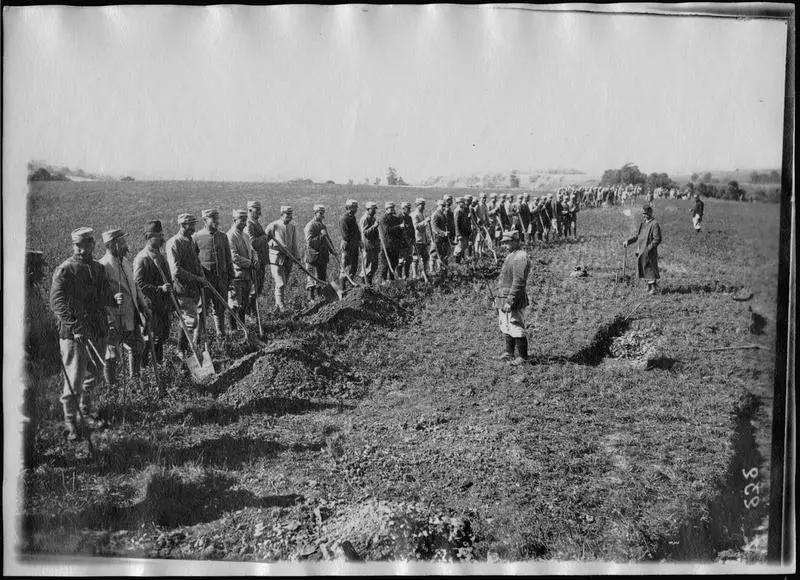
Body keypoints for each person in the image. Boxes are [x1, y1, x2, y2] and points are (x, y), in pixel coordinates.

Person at [50, 228, 117, 440]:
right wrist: (74, 325)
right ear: (73, 245)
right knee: (74, 379)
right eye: (77, 246)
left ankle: (85, 412)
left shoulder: (97, 268)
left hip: (97, 330)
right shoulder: (65, 270)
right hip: (75, 335)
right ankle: (71, 424)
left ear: (92, 245)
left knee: (94, 374)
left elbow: (104, 294)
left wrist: (114, 299)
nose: (81, 249)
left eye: (85, 245)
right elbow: (56, 302)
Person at [99, 228, 150, 385]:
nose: (125, 245)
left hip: (131, 314)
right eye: (122, 242)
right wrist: (112, 300)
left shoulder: (126, 262)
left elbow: (135, 286)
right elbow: (99, 294)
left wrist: (143, 307)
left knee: (138, 346)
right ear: (112, 245)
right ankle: (112, 386)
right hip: (114, 317)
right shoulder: (103, 266)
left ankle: (134, 381)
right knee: (112, 354)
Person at [133, 220, 173, 366]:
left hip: (162, 304)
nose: (162, 238)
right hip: (150, 306)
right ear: (149, 237)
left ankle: (159, 365)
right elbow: (138, 284)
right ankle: (144, 369)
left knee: (160, 337)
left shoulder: (160, 255)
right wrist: (159, 289)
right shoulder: (142, 258)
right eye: (158, 236)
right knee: (149, 338)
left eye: (162, 235)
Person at [166, 213, 204, 357]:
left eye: (194, 224)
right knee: (190, 321)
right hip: (182, 289)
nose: (194, 228)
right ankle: (181, 350)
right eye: (191, 225)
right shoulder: (174, 243)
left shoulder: (191, 241)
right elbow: (175, 270)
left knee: (193, 320)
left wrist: (202, 276)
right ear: (182, 225)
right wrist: (196, 278)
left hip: (194, 288)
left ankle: (185, 349)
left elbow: (197, 261)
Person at [194, 209, 234, 338]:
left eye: (217, 218)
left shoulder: (222, 236)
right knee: (202, 311)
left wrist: (230, 277)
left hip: (221, 280)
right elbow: (194, 261)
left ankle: (221, 335)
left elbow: (228, 258)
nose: (216, 221)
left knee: (220, 308)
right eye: (213, 219)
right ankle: (198, 339)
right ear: (205, 220)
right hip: (205, 282)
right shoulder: (196, 237)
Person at [495, 231, 531, 365]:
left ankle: (522, 357)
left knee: (516, 325)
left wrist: (510, 300)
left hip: (514, 299)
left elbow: (519, 282)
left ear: (516, 241)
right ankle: (509, 352)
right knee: (505, 325)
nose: (504, 245)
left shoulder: (520, 257)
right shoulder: (511, 255)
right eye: (503, 242)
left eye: (507, 242)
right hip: (504, 297)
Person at [265, 206, 301, 312]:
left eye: (290, 215)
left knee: (284, 283)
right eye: (287, 215)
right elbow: (265, 240)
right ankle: (281, 306)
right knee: (280, 282)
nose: (289, 217)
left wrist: (297, 258)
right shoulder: (274, 225)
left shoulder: (292, 227)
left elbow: (294, 244)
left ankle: (278, 305)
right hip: (276, 258)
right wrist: (275, 245)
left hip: (288, 259)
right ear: (282, 214)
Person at [624, 205, 663, 295]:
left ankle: (654, 288)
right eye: (643, 213)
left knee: (650, 269)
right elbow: (638, 236)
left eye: (646, 213)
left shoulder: (654, 224)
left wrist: (648, 249)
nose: (644, 215)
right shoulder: (643, 223)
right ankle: (649, 287)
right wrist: (628, 241)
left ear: (650, 212)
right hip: (641, 250)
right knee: (643, 267)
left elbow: (657, 239)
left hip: (649, 251)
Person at [228, 209, 255, 325]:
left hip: (247, 275)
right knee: (234, 302)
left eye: (245, 220)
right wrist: (250, 263)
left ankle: (242, 325)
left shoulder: (245, 235)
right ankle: (233, 328)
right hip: (236, 275)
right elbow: (234, 257)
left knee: (244, 302)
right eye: (242, 220)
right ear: (234, 220)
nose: (244, 223)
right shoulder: (230, 236)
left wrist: (255, 260)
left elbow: (252, 251)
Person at [246, 201, 269, 317]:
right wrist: (265, 237)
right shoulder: (249, 224)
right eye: (257, 210)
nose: (259, 213)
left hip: (261, 261)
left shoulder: (256, 223)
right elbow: (253, 243)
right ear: (250, 210)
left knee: (258, 288)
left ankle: (254, 312)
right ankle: (249, 313)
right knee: (253, 289)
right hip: (254, 261)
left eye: (259, 210)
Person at [304, 204, 331, 301]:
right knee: (311, 278)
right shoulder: (310, 225)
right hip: (313, 256)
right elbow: (310, 242)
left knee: (321, 277)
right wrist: (321, 236)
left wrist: (332, 251)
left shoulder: (322, 225)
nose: (322, 215)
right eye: (320, 213)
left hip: (322, 256)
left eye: (323, 213)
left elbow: (328, 239)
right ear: (315, 213)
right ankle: (311, 299)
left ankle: (320, 297)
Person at [377, 201, 404, 281]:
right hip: (387, 245)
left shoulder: (395, 218)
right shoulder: (383, 218)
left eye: (393, 208)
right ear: (386, 209)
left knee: (394, 264)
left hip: (395, 245)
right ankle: (383, 281)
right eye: (390, 208)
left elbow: (399, 231)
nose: (392, 209)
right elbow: (387, 230)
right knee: (385, 264)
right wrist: (399, 226)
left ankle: (392, 280)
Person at [339, 199, 362, 290]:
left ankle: (350, 286)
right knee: (345, 268)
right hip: (348, 246)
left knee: (354, 267)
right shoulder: (344, 218)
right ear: (347, 208)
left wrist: (359, 240)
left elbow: (357, 231)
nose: (355, 209)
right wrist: (355, 241)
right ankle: (342, 288)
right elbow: (345, 235)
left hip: (354, 245)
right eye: (353, 207)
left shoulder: (352, 218)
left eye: (355, 207)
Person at [359, 201, 380, 285]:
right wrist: (374, 226)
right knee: (366, 265)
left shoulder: (373, 218)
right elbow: (365, 233)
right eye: (373, 209)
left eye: (375, 209)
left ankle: (369, 283)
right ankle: (364, 285)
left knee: (374, 265)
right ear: (368, 209)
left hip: (374, 245)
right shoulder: (365, 219)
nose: (375, 211)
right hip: (367, 245)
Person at [411, 198, 431, 278]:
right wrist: (425, 221)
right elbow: (416, 226)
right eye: (421, 205)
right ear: (417, 205)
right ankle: (415, 275)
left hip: (423, 240)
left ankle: (424, 273)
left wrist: (427, 238)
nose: (423, 207)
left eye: (423, 205)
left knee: (425, 257)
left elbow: (424, 229)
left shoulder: (421, 214)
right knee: (415, 258)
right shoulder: (414, 214)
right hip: (417, 240)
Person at [431, 199, 451, 271]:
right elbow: (434, 227)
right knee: (434, 255)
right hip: (436, 238)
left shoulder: (443, 214)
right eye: (442, 206)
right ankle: (432, 270)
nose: (444, 207)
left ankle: (441, 269)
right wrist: (443, 233)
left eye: (444, 206)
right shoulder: (435, 214)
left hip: (443, 238)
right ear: (438, 206)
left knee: (443, 254)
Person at [398, 201, 416, 279]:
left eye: (409, 208)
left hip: (409, 243)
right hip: (401, 243)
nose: (409, 210)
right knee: (401, 261)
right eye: (407, 208)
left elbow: (412, 229)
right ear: (403, 209)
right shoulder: (399, 217)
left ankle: (406, 276)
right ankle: (399, 276)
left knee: (408, 260)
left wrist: (413, 239)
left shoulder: (409, 217)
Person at [453, 197, 472, 264]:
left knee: (463, 248)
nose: (463, 203)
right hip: (460, 234)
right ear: (458, 203)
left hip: (465, 233)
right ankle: (457, 263)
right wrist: (458, 235)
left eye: (463, 202)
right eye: (461, 202)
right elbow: (456, 224)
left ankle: (461, 262)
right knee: (459, 249)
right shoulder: (457, 211)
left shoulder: (463, 210)